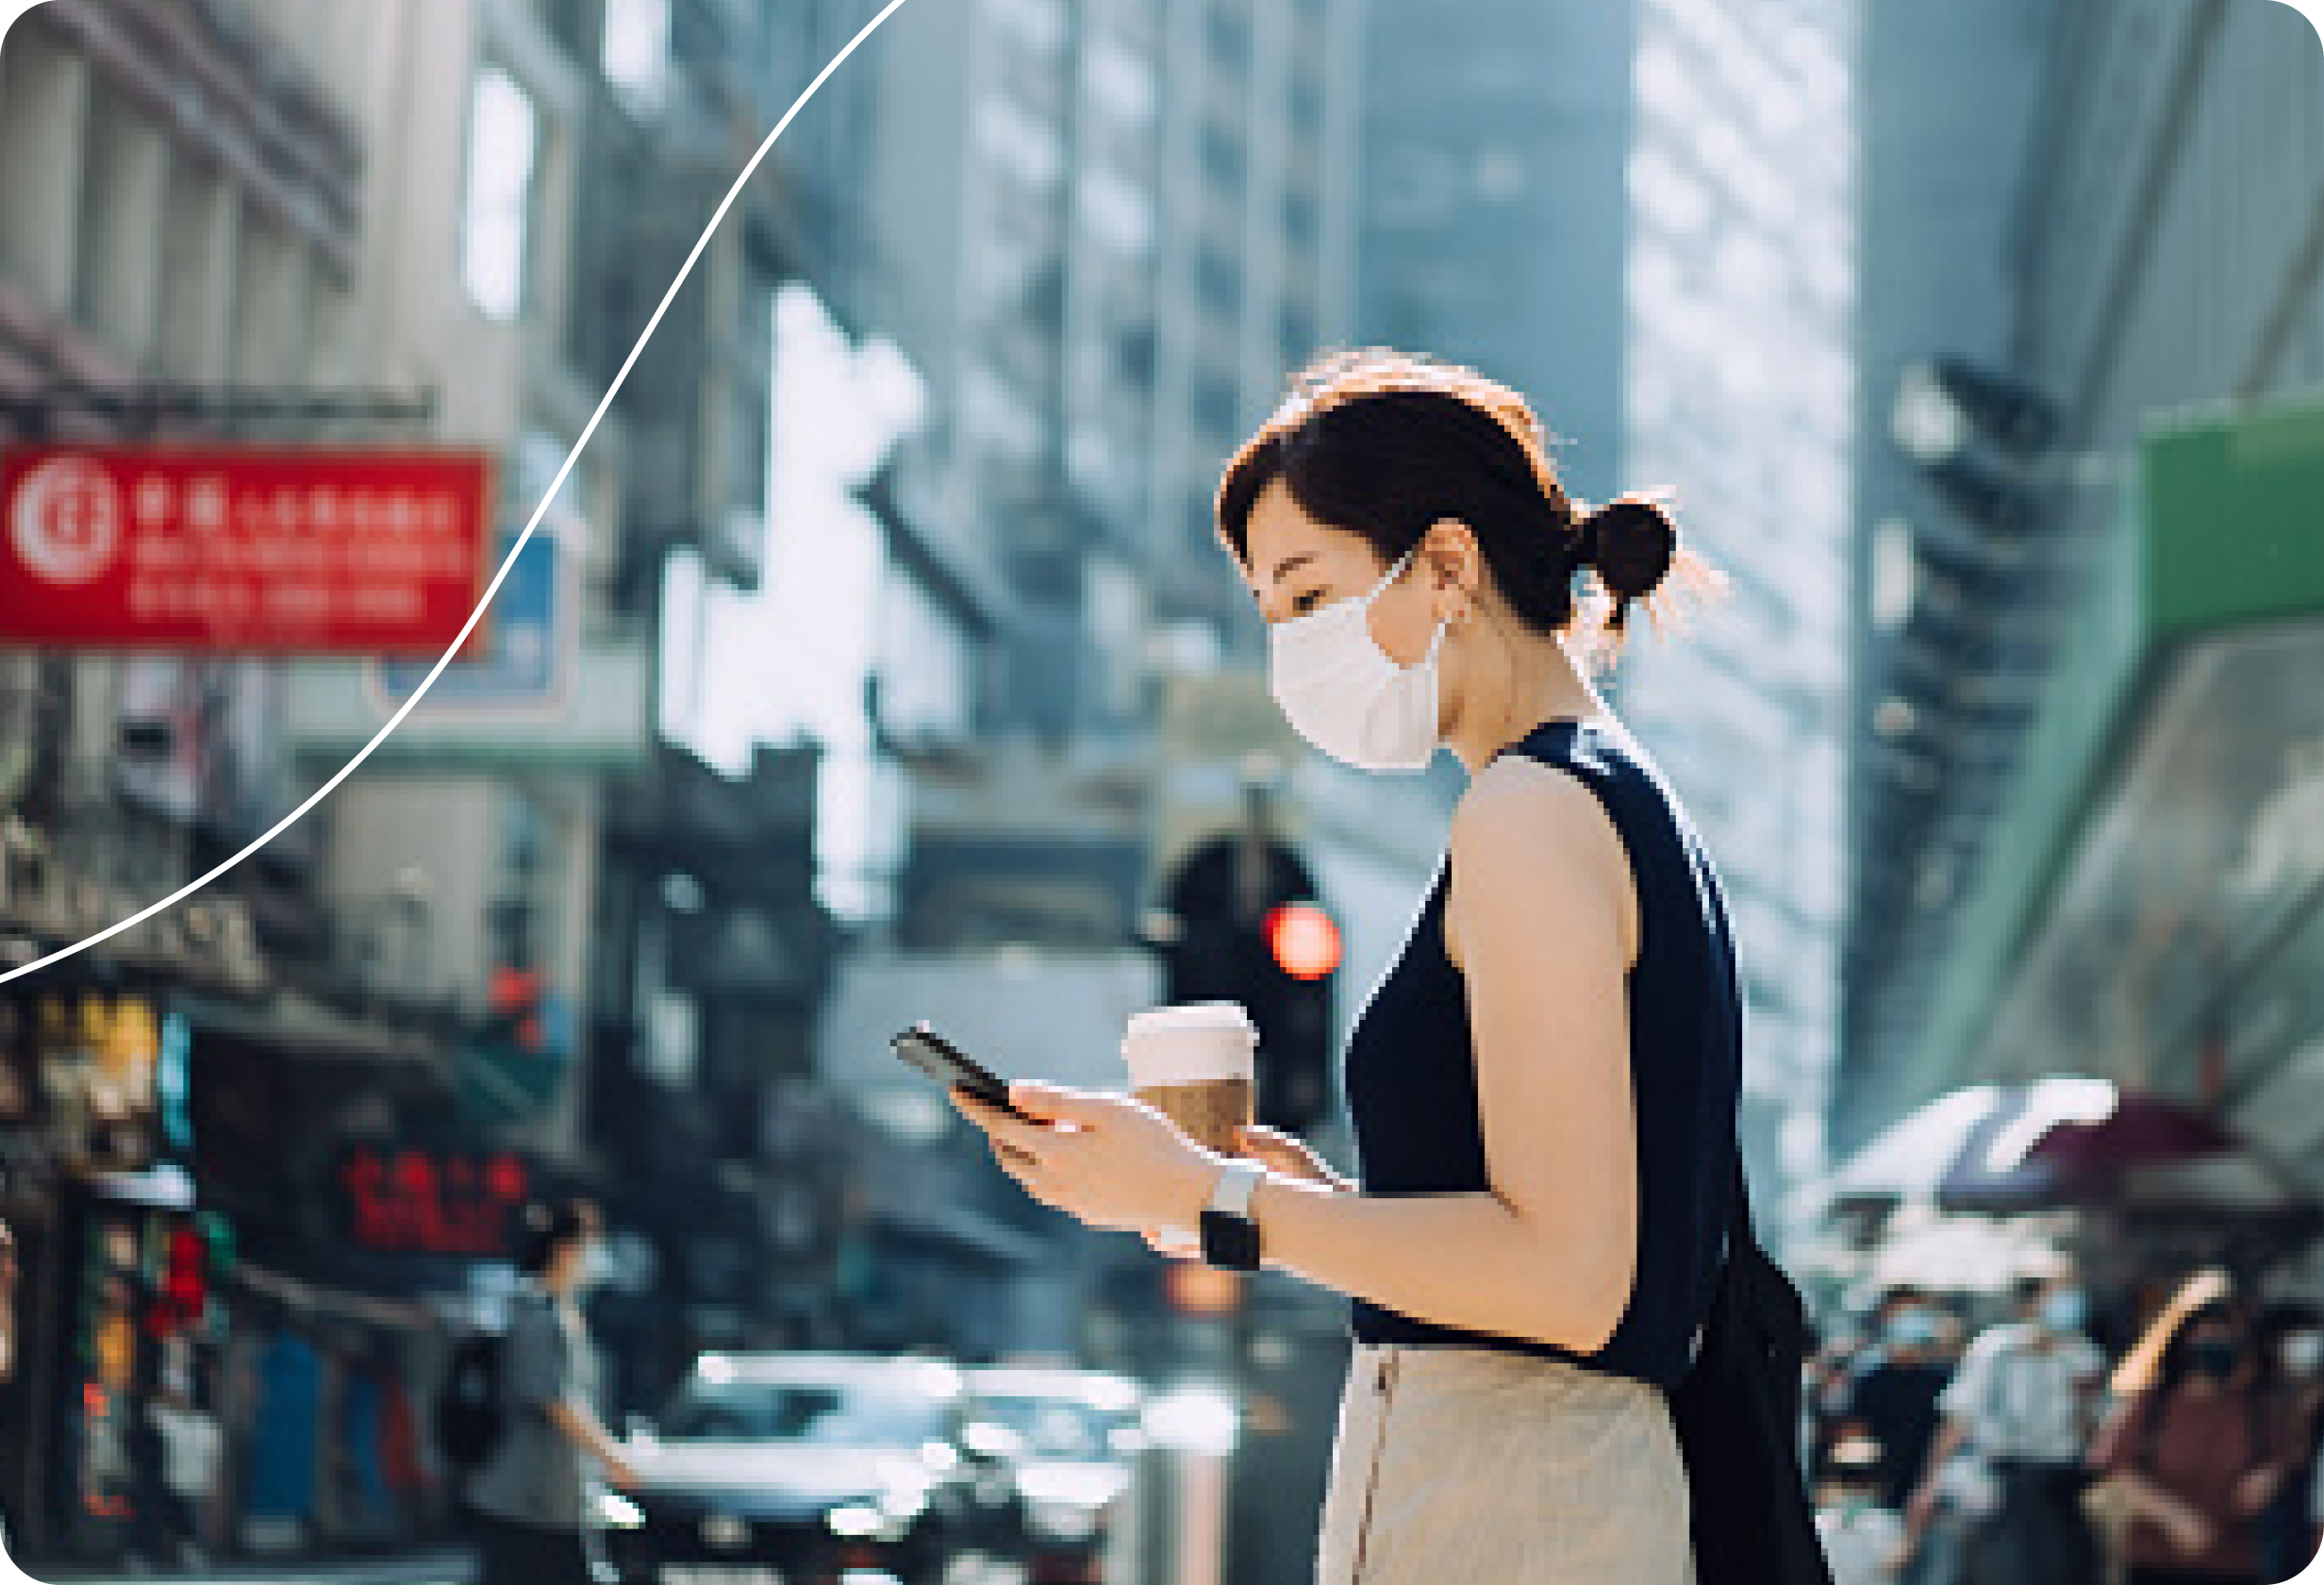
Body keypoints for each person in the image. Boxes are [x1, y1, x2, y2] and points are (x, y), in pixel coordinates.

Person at [951, 346, 1740, 1585]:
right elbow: (1559, 1240)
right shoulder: (1603, 796)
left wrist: (1207, 1200)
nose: (1293, 659)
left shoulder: (1527, 813)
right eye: (1271, 619)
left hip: (1508, 1504)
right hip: (1554, 1492)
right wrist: (1308, 1196)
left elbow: (1574, 1279)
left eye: (1309, 598)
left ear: (1446, 564)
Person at [461, 1196, 636, 1584]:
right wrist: (613, 1453)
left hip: (555, 1502)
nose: (598, 1257)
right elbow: (556, 1402)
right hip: (525, 1502)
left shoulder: (556, 1311)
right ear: (565, 1250)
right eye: (591, 1246)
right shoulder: (540, 1316)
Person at [2089, 1279, 2295, 1585]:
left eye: (2227, 1335)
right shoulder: (2150, 1403)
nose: (2217, 1343)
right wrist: (2173, 1517)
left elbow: (2288, 1458)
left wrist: (2271, 1477)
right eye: (2207, 1334)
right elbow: (2113, 1466)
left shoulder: (2260, 1408)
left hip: (2236, 1564)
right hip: (2156, 1563)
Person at [1908, 1269, 2106, 1585]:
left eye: (2073, 1293)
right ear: (2032, 1302)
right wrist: (1930, 1484)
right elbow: (1958, 1420)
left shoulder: (2085, 1356)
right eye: (2059, 1293)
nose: (2070, 1302)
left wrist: (2083, 1402)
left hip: (2061, 1484)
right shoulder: (1994, 1349)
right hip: (2002, 1484)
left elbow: (2094, 1435)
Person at [1846, 1289, 1951, 1512]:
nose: (1908, 1321)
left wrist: (1930, 1484)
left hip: (1934, 1492)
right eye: (1901, 1314)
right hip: (1879, 1493)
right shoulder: (1869, 1378)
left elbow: (1950, 1434)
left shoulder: (1944, 1378)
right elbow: (1856, 1435)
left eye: (1915, 1313)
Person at [2249, 1299, 2323, 1585]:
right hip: (2271, 1513)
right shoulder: (2256, 1393)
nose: (2306, 1343)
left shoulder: (2315, 1391)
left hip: (2305, 1507)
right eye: (2297, 1335)